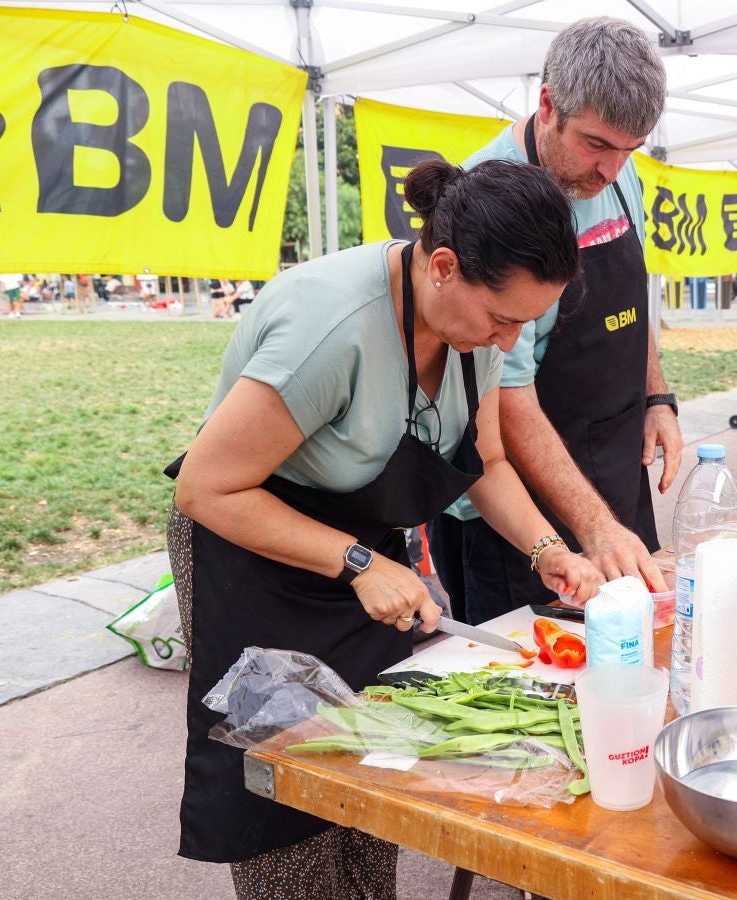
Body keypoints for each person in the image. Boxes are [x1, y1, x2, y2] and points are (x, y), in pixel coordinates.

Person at [165, 158, 604, 895]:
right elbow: (205, 490)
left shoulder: (474, 332)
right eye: (502, 320)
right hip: (255, 542)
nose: (507, 342)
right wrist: (359, 563)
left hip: (363, 549)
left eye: (523, 325)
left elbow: (486, 459)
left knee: (376, 770)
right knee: (288, 782)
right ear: (443, 267)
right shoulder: (329, 324)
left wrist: (548, 550)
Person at [428, 17, 677, 625]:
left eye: (629, 150)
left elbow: (634, 295)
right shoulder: (487, 198)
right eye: (597, 145)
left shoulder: (619, 170)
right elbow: (505, 390)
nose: (612, 170)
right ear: (547, 105)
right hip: (516, 503)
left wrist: (656, 394)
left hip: (612, 465)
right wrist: (592, 528)